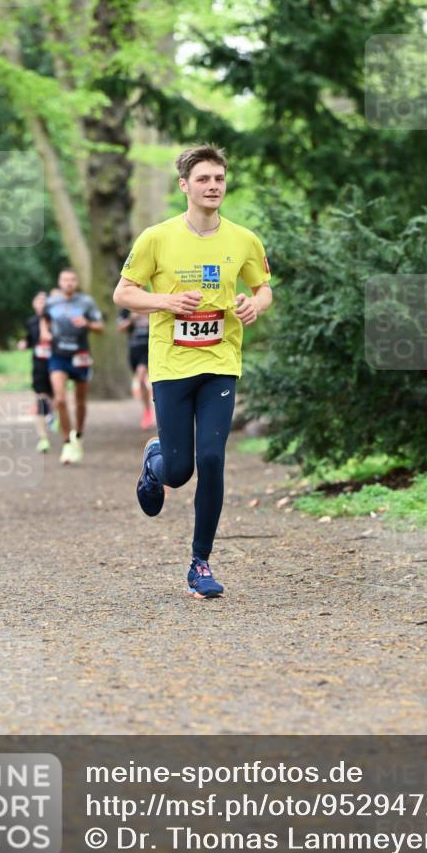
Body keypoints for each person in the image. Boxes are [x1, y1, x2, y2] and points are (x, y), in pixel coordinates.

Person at [113, 144, 273, 599]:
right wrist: (166, 301)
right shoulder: (156, 238)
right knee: (180, 470)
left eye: (219, 178)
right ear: (184, 185)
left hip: (220, 361)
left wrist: (254, 304)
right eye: (203, 178)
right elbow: (123, 294)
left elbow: (263, 289)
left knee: (213, 459)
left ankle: (200, 563)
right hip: (171, 363)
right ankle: (155, 461)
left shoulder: (243, 240)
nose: (213, 186)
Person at [45, 268, 104, 465]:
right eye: (65, 279)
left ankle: (78, 434)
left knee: (80, 401)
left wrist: (87, 323)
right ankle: (67, 442)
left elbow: (100, 327)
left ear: (76, 283)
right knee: (60, 399)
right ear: (59, 282)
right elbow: (43, 319)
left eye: (72, 280)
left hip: (80, 356)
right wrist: (45, 332)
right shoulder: (52, 302)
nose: (68, 283)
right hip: (58, 356)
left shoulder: (86, 302)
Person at [17, 291, 55, 453]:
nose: (41, 304)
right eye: (38, 301)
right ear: (34, 304)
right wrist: (24, 343)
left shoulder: (55, 320)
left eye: (44, 301)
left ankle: (53, 416)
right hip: (39, 363)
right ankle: (43, 438)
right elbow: (30, 339)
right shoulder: (31, 322)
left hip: (56, 363)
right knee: (40, 397)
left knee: (55, 397)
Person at [117, 308, 154, 429]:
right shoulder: (126, 308)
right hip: (134, 350)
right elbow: (120, 328)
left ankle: (153, 409)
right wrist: (132, 318)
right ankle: (147, 409)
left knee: (142, 377)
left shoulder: (152, 301)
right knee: (141, 380)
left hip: (150, 348)